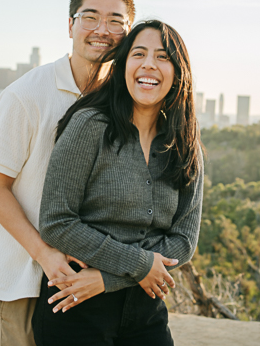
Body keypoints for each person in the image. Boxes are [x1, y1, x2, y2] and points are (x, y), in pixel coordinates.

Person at [0, 0, 135, 345]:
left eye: (115, 21)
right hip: (24, 278)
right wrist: (45, 255)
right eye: (90, 17)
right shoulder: (26, 95)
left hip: (88, 283)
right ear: (70, 25)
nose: (102, 30)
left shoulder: (123, 100)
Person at [31, 20, 204, 347]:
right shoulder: (89, 125)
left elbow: (183, 241)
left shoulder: (184, 143)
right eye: (139, 53)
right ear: (123, 65)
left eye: (163, 57)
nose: (149, 64)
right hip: (76, 304)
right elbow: (56, 222)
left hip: (146, 309)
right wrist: (139, 265)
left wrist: (108, 280)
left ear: (178, 73)